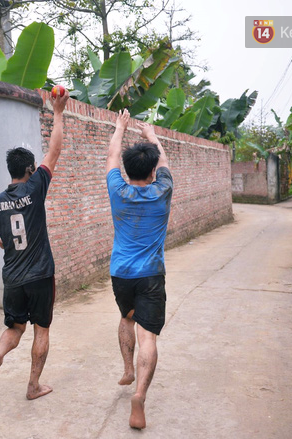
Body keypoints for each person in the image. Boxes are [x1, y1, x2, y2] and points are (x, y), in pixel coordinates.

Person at [0, 92, 69, 400]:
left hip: (13, 278)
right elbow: (54, 150)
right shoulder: (35, 187)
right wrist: (58, 111)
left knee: (15, 328)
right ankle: (33, 386)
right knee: (41, 330)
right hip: (40, 275)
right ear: (30, 169)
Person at [105, 109, 173, 429]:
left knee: (125, 317)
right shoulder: (162, 191)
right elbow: (164, 163)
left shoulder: (118, 190)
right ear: (151, 171)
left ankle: (127, 369)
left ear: (129, 169)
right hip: (150, 274)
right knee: (148, 337)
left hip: (121, 273)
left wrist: (120, 127)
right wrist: (151, 136)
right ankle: (140, 396)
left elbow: (112, 156)